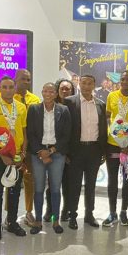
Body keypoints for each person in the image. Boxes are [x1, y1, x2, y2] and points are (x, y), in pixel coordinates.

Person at [0, 75, 28, 240]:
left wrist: (23, 153)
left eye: (11, 87)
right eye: (4, 87)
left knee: (15, 191)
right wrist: (3, 156)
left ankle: (12, 222)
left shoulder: (21, 107)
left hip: (17, 157)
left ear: (15, 88)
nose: (8, 90)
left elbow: (24, 132)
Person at [27, 83, 71, 234]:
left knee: (55, 189)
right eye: (45, 90)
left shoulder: (63, 110)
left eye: (51, 91)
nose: (48, 93)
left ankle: (55, 221)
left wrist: (51, 150)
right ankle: (38, 221)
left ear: (55, 94)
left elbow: (67, 135)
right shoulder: (33, 109)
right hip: (37, 153)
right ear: (42, 92)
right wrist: (41, 151)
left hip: (57, 153)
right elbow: (30, 133)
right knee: (38, 188)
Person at [65, 74, 107, 230]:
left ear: (94, 85)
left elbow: (103, 128)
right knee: (74, 185)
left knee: (91, 185)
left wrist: (103, 150)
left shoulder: (101, 104)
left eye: (90, 83)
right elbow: (66, 128)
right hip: (76, 150)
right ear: (79, 84)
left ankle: (89, 214)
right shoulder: (70, 102)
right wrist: (67, 152)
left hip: (94, 150)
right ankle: (73, 216)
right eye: (84, 83)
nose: (87, 86)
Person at [103, 71, 128, 227]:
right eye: (122, 79)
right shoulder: (111, 96)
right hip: (112, 144)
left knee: (127, 180)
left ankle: (124, 212)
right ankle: (112, 213)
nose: (125, 82)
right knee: (112, 180)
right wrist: (106, 139)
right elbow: (106, 118)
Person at [43, 78, 76, 222]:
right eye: (62, 88)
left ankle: (65, 211)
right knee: (52, 185)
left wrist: (68, 153)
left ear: (72, 91)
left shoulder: (76, 107)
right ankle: (50, 210)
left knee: (68, 185)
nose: (64, 91)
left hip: (70, 154)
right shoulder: (50, 106)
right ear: (57, 91)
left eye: (67, 89)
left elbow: (73, 133)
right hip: (53, 152)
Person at [14, 69, 40, 226]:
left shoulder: (35, 99)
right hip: (13, 147)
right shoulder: (9, 98)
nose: (26, 82)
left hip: (30, 148)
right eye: (23, 79)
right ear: (15, 79)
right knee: (11, 180)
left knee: (30, 180)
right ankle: (9, 214)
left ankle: (29, 212)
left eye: (28, 79)